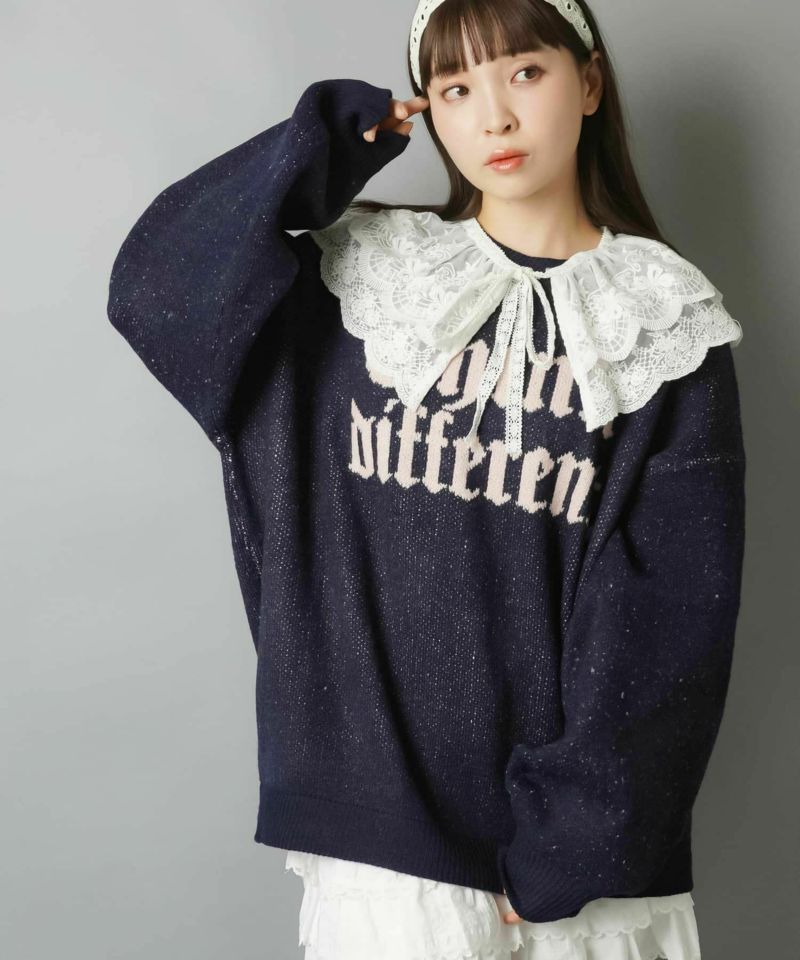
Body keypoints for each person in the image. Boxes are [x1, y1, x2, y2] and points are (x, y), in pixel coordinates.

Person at [105, 0, 746, 957]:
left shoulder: (664, 320)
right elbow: (157, 291)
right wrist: (320, 148)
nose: (495, 116)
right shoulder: (362, 278)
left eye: (525, 72)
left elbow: (671, 612)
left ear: (588, 83)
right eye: (456, 88)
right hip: (384, 853)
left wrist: (569, 848)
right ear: (429, 111)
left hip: (582, 879)